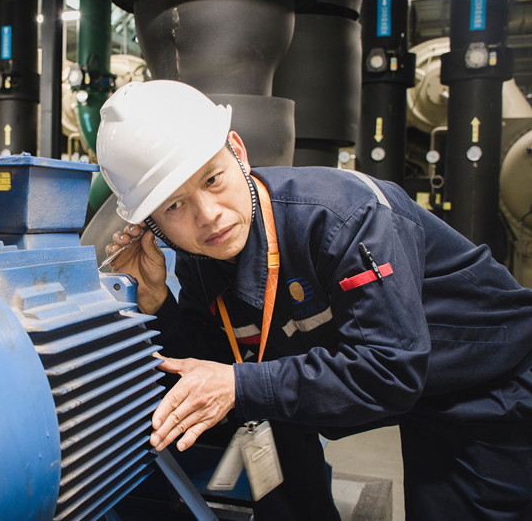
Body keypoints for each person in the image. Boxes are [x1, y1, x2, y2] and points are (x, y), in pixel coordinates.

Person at [96, 79, 532, 520]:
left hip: (485, 382)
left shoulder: (343, 217)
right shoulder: (203, 257)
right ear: (151, 222)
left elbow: (390, 370)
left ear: (238, 151)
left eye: (213, 179)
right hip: (408, 385)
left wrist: (241, 385)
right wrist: (157, 303)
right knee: (266, 407)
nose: (208, 215)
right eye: (174, 206)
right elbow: (214, 367)